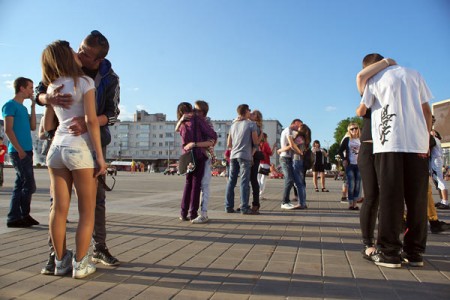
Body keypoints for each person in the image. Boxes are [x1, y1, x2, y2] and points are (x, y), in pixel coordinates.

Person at [36, 30, 120, 273]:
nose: (80, 54)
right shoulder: (80, 81)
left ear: (98, 60)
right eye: (79, 49)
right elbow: (38, 94)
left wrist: (88, 119)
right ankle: (69, 259)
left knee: (68, 206)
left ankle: (77, 255)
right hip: (80, 148)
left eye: (86, 53)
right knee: (84, 208)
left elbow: (111, 114)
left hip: (59, 148)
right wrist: (46, 97)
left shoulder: (108, 78)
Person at [356, 53, 433, 268]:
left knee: (391, 197)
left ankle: (390, 252)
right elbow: (427, 110)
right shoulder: (414, 74)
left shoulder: (374, 79)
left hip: (389, 142)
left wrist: (385, 64)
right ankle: (415, 252)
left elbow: (363, 106)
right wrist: (426, 139)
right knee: (417, 199)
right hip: (418, 143)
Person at [2, 77, 38, 228]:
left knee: (21, 184)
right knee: (28, 184)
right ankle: (16, 217)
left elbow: (32, 127)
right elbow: (8, 129)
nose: (32, 91)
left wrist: (33, 107)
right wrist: (19, 150)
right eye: (30, 87)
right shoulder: (9, 105)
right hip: (19, 152)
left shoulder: (23, 108)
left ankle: (21, 216)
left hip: (27, 152)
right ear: (22, 88)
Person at [176, 102, 217, 221]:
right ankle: (192, 213)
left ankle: (183, 213)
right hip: (198, 155)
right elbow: (212, 135)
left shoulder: (182, 124)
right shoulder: (198, 120)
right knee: (196, 184)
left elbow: (179, 134)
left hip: (187, 156)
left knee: (188, 184)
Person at [225, 104, 259, 214]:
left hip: (233, 155)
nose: (250, 112)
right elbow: (256, 142)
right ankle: (244, 207)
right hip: (245, 156)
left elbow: (229, 144)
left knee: (231, 181)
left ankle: (228, 207)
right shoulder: (251, 124)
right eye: (249, 110)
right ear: (245, 111)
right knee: (244, 181)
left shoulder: (233, 125)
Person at [278, 119, 303, 210]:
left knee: (291, 180)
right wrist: (300, 152)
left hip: (288, 158)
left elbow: (292, 144)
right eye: (298, 125)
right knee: (289, 179)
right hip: (285, 158)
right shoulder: (288, 130)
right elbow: (292, 145)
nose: (299, 128)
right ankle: (284, 202)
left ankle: (287, 201)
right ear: (294, 123)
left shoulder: (292, 132)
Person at [338, 123, 361, 210]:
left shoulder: (361, 139)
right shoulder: (347, 140)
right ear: (349, 131)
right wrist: (344, 159)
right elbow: (340, 151)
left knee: (358, 185)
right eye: (352, 129)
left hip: (359, 165)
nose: (354, 130)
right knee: (351, 184)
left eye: (355, 128)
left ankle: (355, 204)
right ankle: (350, 204)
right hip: (350, 165)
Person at [288, 124, 311, 209]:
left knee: (298, 183)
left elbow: (292, 146)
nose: (297, 128)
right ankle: (303, 202)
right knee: (301, 183)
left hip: (296, 160)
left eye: (299, 128)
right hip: (301, 161)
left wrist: (290, 137)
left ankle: (301, 203)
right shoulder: (306, 139)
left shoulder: (299, 138)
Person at [249, 110, 264, 214]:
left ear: (257, 118)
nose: (251, 114)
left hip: (253, 154)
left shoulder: (256, 127)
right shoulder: (249, 124)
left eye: (254, 114)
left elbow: (256, 143)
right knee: (249, 179)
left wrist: (251, 154)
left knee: (253, 179)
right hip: (249, 154)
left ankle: (255, 204)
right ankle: (249, 204)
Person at [430, 130, 449, 209]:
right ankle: (442, 201)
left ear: (435, 134)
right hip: (434, 160)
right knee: (437, 181)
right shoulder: (434, 139)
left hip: (436, 160)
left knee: (440, 180)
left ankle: (445, 202)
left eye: (432, 132)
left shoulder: (434, 140)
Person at [258, 133, 276, 200]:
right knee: (263, 179)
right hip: (265, 163)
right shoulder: (265, 144)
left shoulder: (258, 143)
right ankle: (260, 194)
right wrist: (274, 147)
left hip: (259, 162)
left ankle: (257, 193)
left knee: (258, 179)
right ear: (265, 138)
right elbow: (271, 153)